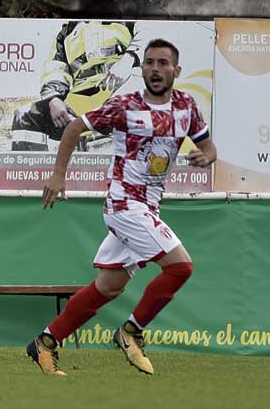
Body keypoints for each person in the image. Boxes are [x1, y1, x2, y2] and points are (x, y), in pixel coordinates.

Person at [28, 39, 215, 377]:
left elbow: (208, 146)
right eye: (149, 63)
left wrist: (206, 156)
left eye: (162, 63)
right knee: (180, 267)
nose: (155, 69)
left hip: (149, 207)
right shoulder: (124, 105)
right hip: (124, 205)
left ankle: (45, 342)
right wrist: (58, 175)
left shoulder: (186, 106)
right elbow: (73, 127)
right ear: (141, 68)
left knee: (109, 287)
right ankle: (130, 332)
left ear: (177, 71)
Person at [11, 21, 139, 151]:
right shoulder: (66, 33)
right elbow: (55, 68)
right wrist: (53, 99)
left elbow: (152, 34)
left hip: (120, 90)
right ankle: (32, 169)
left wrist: (129, 58)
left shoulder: (126, 14)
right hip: (82, 100)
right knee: (25, 116)